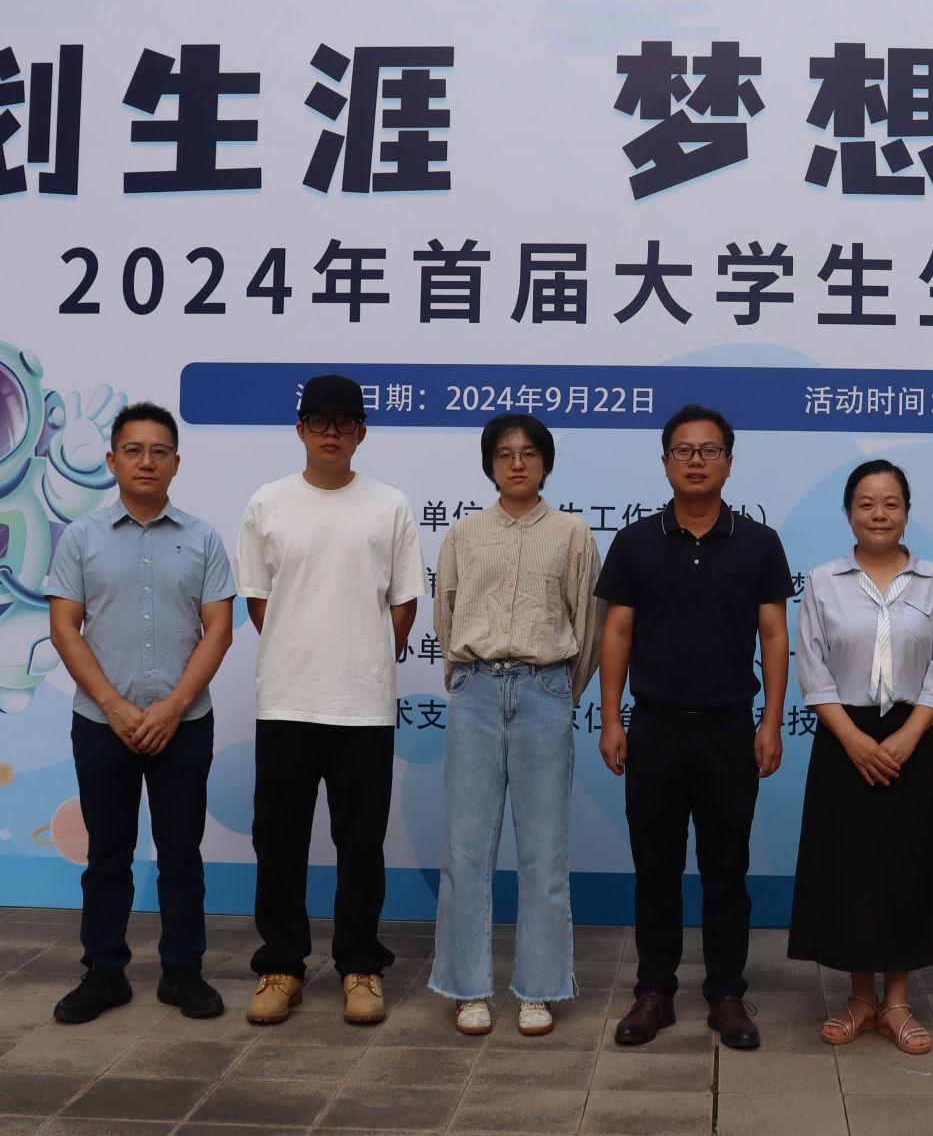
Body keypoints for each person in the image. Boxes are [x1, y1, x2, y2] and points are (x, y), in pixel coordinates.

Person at [596, 405, 792, 1051]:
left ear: (729, 463)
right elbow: (617, 631)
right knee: (655, 871)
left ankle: (726, 994)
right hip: (653, 729)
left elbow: (774, 635)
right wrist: (611, 717)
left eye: (710, 450)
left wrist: (771, 721)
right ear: (665, 463)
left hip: (729, 730)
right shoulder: (636, 541)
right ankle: (654, 991)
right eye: (684, 450)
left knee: (726, 873)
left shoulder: (759, 543)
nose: (697, 460)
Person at [236, 373, 426, 1026]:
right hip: (287, 700)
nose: (331, 432)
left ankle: (360, 967)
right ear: (300, 429)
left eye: (344, 422)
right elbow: (259, 599)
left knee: (361, 844)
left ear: (361, 433)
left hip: (363, 705)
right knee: (279, 842)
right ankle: (281, 967)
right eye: (319, 420)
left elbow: (403, 603)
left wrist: (359, 655)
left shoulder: (389, 505)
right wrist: (305, 648)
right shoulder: (268, 502)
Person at [47, 401, 235, 1024]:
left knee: (181, 854)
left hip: (185, 723)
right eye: (133, 450)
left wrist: (174, 707)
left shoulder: (203, 538)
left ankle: (183, 972)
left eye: (159, 451)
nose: (146, 461)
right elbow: (65, 628)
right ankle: (104, 972)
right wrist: (115, 706)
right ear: (112, 461)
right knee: (107, 855)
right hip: (103, 724)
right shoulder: (81, 538)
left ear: (176, 462)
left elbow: (218, 630)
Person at [429, 414, 603, 1036]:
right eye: (504, 454)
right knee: (465, 849)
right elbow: (446, 615)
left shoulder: (572, 533)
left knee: (544, 853)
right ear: (489, 465)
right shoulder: (464, 533)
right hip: (476, 691)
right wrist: (468, 679)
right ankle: (467, 988)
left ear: (546, 462)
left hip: (544, 690)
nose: (517, 462)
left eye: (529, 452)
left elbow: (588, 624)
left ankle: (539, 989)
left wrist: (559, 692)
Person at [787, 460, 933, 1056]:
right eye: (866, 503)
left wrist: (910, 735)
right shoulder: (823, 581)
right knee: (850, 869)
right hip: (844, 738)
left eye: (891, 503)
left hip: (912, 735)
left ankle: (898, 1003)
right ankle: (861, 997)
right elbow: (812, 668)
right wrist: (853, 739)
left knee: (906, 866)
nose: (879, 514)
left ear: (907, 511)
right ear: (848, 512)